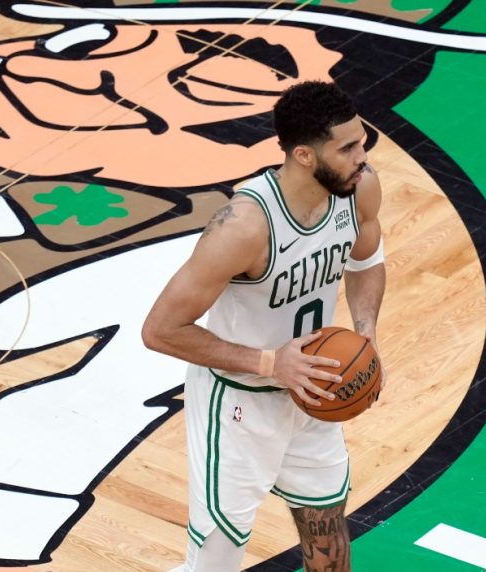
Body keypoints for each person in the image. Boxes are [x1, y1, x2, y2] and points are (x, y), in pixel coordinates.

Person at [142, 80, 387, 572]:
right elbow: (161, 330)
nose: (363, 156)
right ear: (302, 155)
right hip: (238, 403)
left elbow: (367, 261)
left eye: (361, 141)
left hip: (316, 389)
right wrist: (273, 363)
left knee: (328, 536)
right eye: (348, 148)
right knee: (217, 563)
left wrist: (366, 333)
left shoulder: (358, 190)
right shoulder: (244, 227)